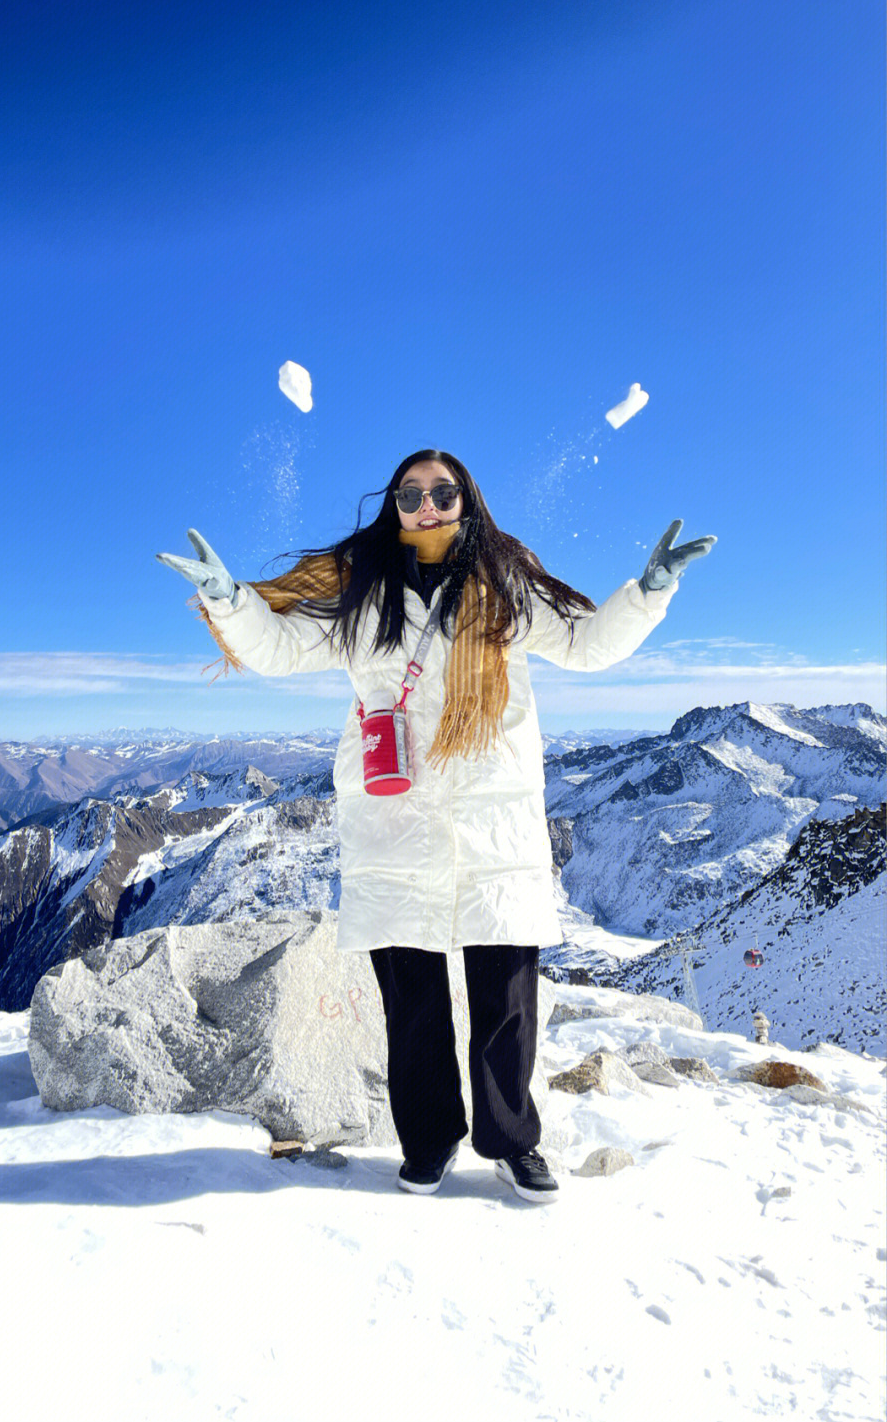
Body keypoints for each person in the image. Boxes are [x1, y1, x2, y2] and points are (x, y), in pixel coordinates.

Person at [157, 449, 716, 1202]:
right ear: (394, 504)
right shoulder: (363, 591)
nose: (427, 505)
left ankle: (513, 1143)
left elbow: (587, 645)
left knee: (505, 1002)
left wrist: (648, 592)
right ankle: (428, 1141)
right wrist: (231, 600)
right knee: (413, 1003)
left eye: (442, 492)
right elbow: (284, 648)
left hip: (494, 821)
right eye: (412, 493)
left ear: (465, 501)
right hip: (397, 823)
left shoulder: (508, 585)